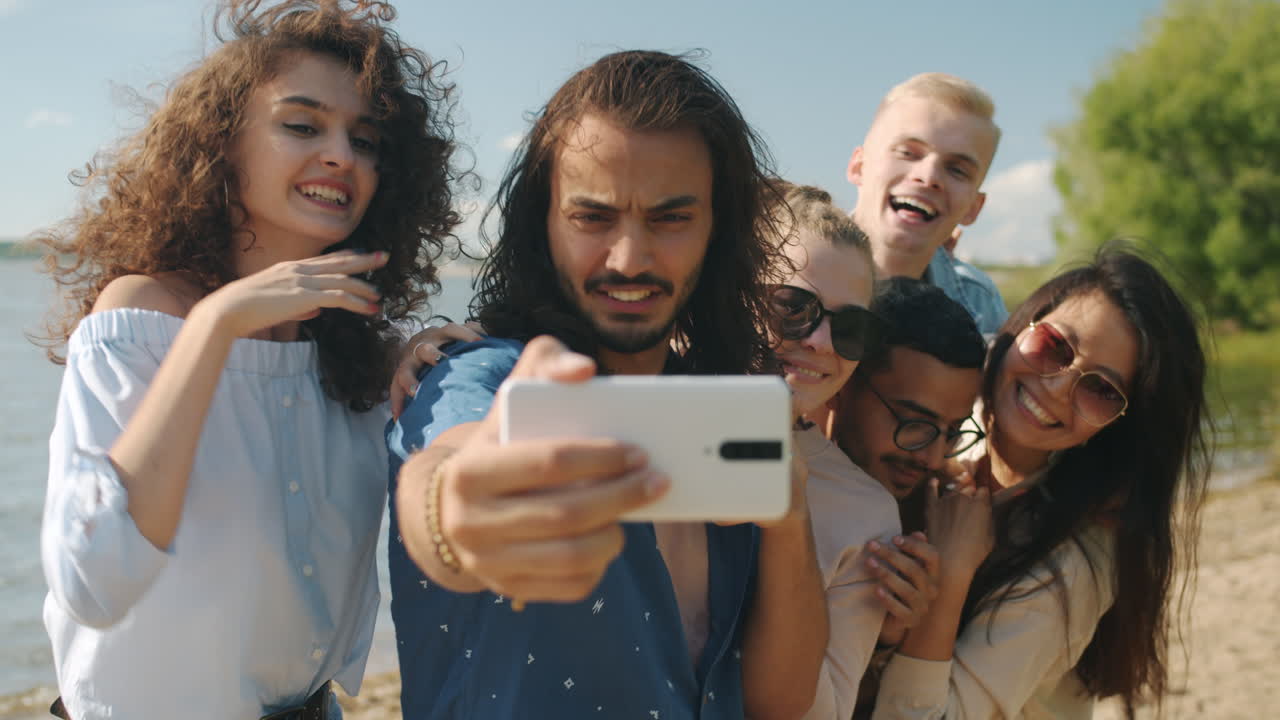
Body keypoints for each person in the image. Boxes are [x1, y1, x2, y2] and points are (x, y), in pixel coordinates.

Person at [35, 1, 461, 717]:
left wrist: (426, 357)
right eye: (302, 124)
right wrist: (216, 325)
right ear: (221, 143)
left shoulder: (352, 348)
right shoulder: (142, 314)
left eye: (366, 139)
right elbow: (95, 584)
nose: (341, 155)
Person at [387, 51, 828, 720]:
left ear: (719, 230)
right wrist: (454, 516)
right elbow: (444, 471)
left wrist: (790, 520)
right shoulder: (480, 373)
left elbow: (780, 705)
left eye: (670, 218)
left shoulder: (725, 414)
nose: (628, 257)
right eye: (593, 218)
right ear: (544, 224)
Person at [871, 245, 1211, 718]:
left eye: (1099, 389)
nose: (1056, 388)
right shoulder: (951, 417)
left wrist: (951, 573)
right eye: (1055, 345)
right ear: (1024, 324)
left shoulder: (1073, 564)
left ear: (1120, 424)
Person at [825, 278, 986, 717]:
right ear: (846, 381)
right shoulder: (774, 490)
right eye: (914, 422)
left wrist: (888, 639)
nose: (932, 456)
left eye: (953, 432)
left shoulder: (935, 520)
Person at [846, 72, 1009, 336]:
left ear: (973, 208)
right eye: (908, 153)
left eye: (957, 170)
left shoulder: (980, 305)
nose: (929, 177)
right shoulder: (786, 270)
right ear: (859, 167)